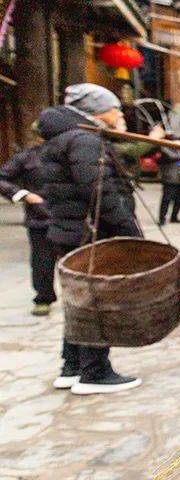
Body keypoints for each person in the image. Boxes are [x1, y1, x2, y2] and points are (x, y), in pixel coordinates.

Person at [37, 83, 142, 394]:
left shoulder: (65, 138)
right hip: (89, 236)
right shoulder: (84, 140)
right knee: (95, 302)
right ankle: (94, 372)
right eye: (116, 108)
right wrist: (130, 232)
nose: (120, 113)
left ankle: (71, 366)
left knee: (78, 300)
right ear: (98, 111)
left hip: (69, 233)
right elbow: (99, 192)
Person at [0, 132, 55, 315]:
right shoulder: (27, 157)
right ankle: (43, 298)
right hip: (40, 217)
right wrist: (25, 195)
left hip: (71, 215)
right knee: (42, 261)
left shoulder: (70, 153)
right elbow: (2, 179)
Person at [156, 135, 180, 226]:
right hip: (170, 180)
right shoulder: (166, 150)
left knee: (179, 200)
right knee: (166, 200)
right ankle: (162, 219)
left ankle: (174, 217)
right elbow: (173, 156)